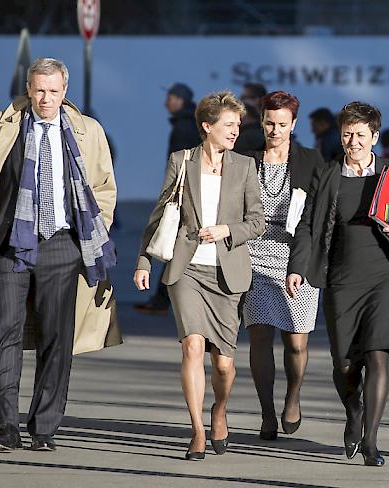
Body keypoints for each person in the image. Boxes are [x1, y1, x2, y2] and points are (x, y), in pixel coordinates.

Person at [0, 58, 119, 453]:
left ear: (64, 92)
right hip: (10, 243)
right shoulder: (0, 125)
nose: (45, 99)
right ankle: (4, 427)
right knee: (5, 331)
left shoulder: (87, 131)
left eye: (53, 91)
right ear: (28, 88)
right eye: (39, 90)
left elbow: (104, 188)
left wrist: (90, 235)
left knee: (58, 337)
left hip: (62, 243)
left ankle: (44, 427)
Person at [286, 101, 389, 466]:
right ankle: (354, 412)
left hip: (386, 274)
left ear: (374, 137)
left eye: (361, 135)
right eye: (347, 134)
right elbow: (306, 225)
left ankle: (371, 440)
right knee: (345, 364)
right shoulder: (328, 173)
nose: (353, 141)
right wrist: (297, 266)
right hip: (341, 278)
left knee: (378, 353)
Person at [134, 91, 265, 461]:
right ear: (207, 126)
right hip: (186, 268)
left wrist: (227, 230)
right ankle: (196, 430)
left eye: (238, 125)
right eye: (228, 125)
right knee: (192, 344)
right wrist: (144, 260)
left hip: (227, 273)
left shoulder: (244, 166)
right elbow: (161, 214)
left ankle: (219, 410)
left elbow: (256, 221)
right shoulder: (182, 160)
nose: (235, 132)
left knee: (223, 363)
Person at [242, 91, 325, 440]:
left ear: (293, 125)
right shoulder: (245, 158)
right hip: (254, 254)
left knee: (296, 342)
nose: (275, 130)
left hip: (297, 253)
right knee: (259, 335)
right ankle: (265, 412)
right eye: (269, 123)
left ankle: (293, 397)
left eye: (282, 124)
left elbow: (321, 213)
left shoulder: (310, 160)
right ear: (261, 121)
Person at [135, 82, 201, 314]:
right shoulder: (189, 123)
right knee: (175, 243)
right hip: (189, 192)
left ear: (181, 100)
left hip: (183, 194)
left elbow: (182, 164)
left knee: (171, 241)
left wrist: (173, 192)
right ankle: (163, 297)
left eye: (171, 98)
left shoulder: (183, 127)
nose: (167, 102)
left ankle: (163, 297)